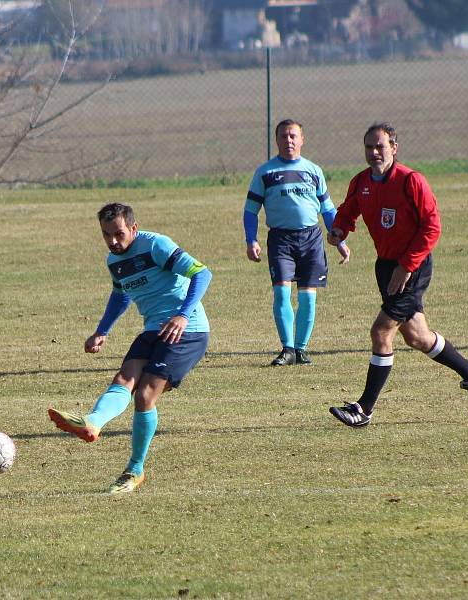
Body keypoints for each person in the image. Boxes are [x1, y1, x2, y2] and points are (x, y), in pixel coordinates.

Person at [326, 122, 468, 427]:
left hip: (412, 266)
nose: (374, 152)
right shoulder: (361, 181)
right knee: (417, 337)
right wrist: (339, 229)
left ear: (394, 148)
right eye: (369, 147)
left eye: (380, 146)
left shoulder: (411, 181)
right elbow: (348, 211)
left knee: (381, 332)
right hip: (386, 266)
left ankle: (364, 409)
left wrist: (407, 266)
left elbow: (432, 227)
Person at [48, 203, 212, 495]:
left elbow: (202, 273)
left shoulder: (156, 245)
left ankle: (134, 470)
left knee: (146, 395)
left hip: (187, 330)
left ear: (133, 228)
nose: (112, 241)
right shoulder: (114, 260)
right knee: (124, 378)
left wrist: (183, 314)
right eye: (106, 234)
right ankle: (92, 423)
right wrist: (102, 331)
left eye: (118, 233)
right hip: (153, 329)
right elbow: (120, 295)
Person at [244, 119, 350, 366]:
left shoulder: (314, 171)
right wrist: (251, 240)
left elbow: (327, 209)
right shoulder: (265, 172)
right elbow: (250, 210)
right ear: (277, 140)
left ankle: (301, 350)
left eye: (293, 136)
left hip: (311, 240)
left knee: (307, 298)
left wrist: (340, 239)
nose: (288, 140)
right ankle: (287, 349)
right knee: (281, 293)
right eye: (283, 136)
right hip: (281, 240)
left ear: (302, 139)